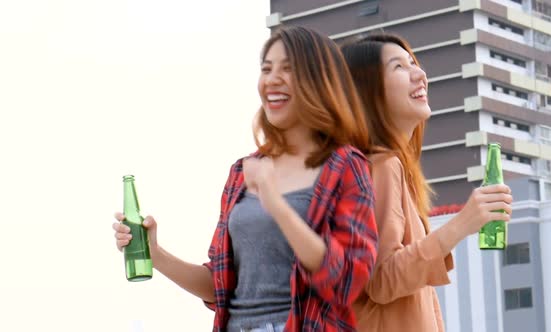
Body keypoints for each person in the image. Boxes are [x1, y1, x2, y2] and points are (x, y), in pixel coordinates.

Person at [112, 25, 378, 332]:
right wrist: (154, 254)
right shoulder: (243, 171)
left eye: (288, 69)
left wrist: (277, 206)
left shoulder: (346, 166)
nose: (271, 79)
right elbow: (219, 285)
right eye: (266, 68)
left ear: (319, 82)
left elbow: (347, 282)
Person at [341, 34, 513, 331]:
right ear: (368, 91)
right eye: (399, 67)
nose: (420, 75)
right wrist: (462, 223)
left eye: (414, 64)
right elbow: (382, 279)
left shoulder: (388, 167)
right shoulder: (381, 166)